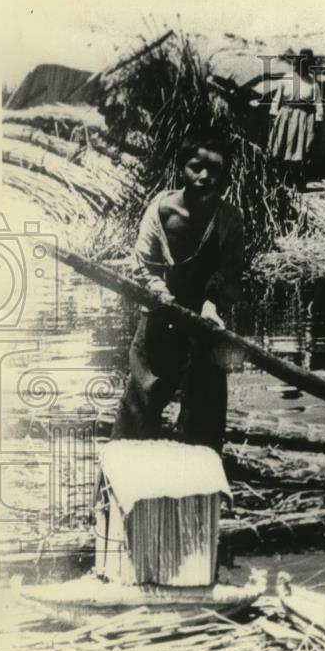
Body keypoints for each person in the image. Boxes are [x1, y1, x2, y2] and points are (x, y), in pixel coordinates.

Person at [111, 136, 244, 455]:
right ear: (180, 169)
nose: (204, 177)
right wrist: (158, 291)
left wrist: (213, 305)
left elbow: (230, 272)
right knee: (142, 395)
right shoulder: (160, 210)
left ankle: (200, 476)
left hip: (205, 322)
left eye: (214, 169)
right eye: (196, 167)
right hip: (160, 315)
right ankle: (125, 467)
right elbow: (144, 262)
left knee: (204, 408)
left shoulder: (229, 218)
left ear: (224, 175)